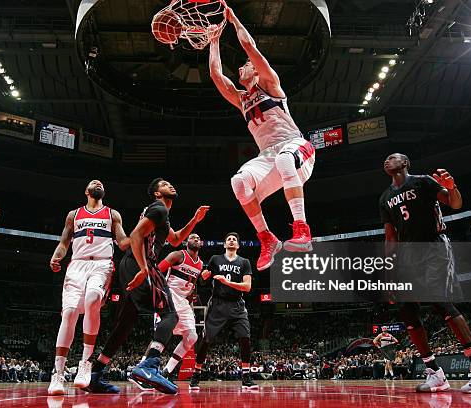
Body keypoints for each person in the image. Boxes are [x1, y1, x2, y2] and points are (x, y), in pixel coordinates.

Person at [379, 153, 471, 393]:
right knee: (407, 311)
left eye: (392, 158)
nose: (387, 161)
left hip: (434, 246)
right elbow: (391, 238)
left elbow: (454, 203)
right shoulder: (384, 198)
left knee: (440, 302)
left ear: (405, 163)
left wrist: (452, 188)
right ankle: (434, 372)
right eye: (385, 159)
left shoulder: (423, 181)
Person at [209, 6, 316, 271]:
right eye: (244, 67)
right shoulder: (241, 99)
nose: (244, 67)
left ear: (255, 73)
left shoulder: (269, 84)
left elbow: (250, 47)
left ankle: (302, 230)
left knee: (283, 159)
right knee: (240, 183)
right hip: (269, 156)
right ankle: (267, 239)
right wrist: (213, 41)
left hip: (297, 147)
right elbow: (215, 75)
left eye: (247, 66)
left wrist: (233, 20)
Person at [84, 178, 209, 395]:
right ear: (157, 193)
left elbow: (177, 239)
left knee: (124, 324)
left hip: (132, 264)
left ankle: (96, 373)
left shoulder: (161, 214)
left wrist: (195, 220)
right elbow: (136, 235)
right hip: (142, 264)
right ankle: (150, 365)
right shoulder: (159, 208)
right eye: (164, 184)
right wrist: (143, 269)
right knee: (170, 315)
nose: (171, 185)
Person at [47, 180, 130, 395]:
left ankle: (85, 363)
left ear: (104, 191)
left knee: (93, 298)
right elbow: (64, 243)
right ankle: (57, 373)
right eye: (93, 183)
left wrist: (141, 231)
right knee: (70, 313)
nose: (98, 183)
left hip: (102, 263)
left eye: (101, 183)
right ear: (86, 191)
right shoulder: (74, 215)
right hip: (77, 264)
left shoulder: (113, 214)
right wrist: (56, 258)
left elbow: (122, 242)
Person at [130, 233, 204, 391]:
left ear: (201, 243)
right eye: (192, 237)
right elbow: (158, 270)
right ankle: (140, 369)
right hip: (169, 295)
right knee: (162, 334)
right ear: (186, 242)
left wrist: (193, 295)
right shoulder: (178, 255)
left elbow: (193, 284)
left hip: (184, 301)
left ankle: (166, 371)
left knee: (192, 337)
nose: (195, 239)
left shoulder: (200, 264)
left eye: (198, 238)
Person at [189, 232, 258, 391]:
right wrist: (203, 276)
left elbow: (247, 287)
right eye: (229, 239)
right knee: (206, 340)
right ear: (225, 244)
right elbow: (202, 279)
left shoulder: (244, 262)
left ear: (238, 245)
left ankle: (246, 376)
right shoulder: (215, 259)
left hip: (237, 305)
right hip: (218, 304)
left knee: (245, 337)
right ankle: (196, 374)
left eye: (235, 239)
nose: (232, 241)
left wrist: (227, 282)